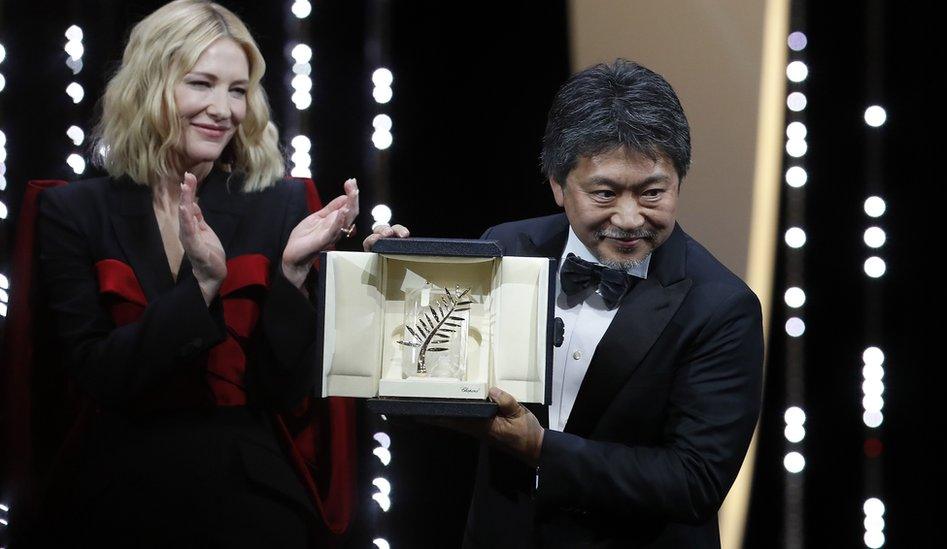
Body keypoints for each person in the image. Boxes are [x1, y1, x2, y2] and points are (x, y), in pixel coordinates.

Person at [365, 59, 763, 548]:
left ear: (680, 180)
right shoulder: (506, 247)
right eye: (604, 192)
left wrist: (540, 448)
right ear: (558, 184)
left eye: (653, 192)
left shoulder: (721, 306)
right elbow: (434, 385)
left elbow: (693, 482)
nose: (630, 216)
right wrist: (389, 294)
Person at [30, 1, 357, 546]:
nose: (223, 110)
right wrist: (201, 286)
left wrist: (293, 275)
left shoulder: (279, 205)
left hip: (249, 493)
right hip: (116, 488)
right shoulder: (74, 213)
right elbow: (99, 377)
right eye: (202, 84)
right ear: (150, 85)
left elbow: (286, 392)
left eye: (237, 90)